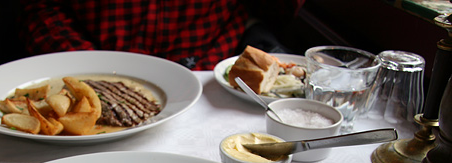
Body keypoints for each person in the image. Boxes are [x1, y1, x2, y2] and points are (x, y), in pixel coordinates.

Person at [19, 0, 305, 70]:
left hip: (209, 72)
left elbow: (282, 10)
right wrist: (91, 66)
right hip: (93, 69)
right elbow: (41, 11)